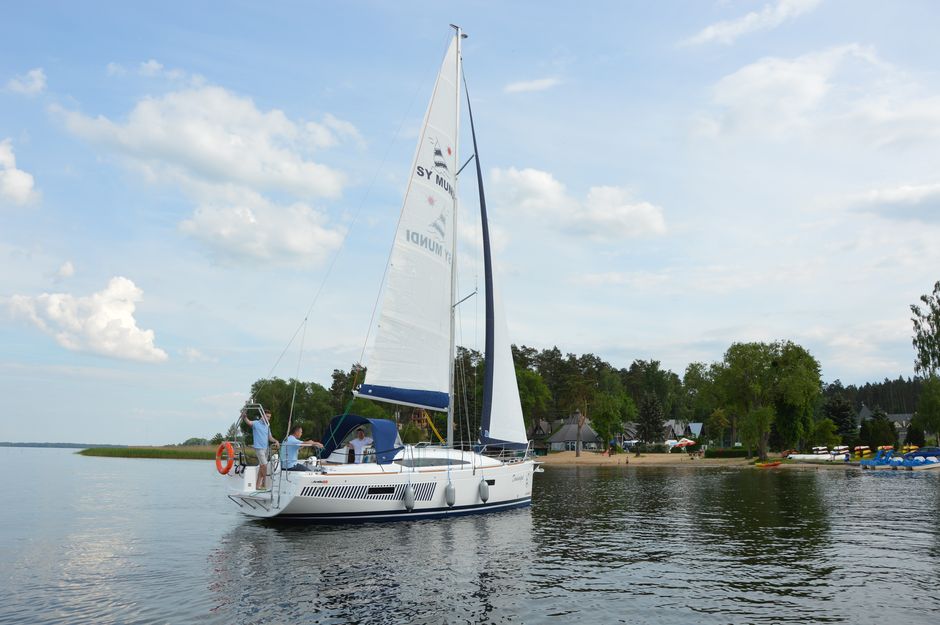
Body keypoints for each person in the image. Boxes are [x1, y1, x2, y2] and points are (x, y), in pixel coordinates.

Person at [242, 409, 279, 490]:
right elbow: (248, 422)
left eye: (269, 417)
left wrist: (276, 441)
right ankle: (264, 484)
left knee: (262, 466)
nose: (268, 418)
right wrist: (244, 416)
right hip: (259, 448)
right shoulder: (256, 423)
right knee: (264, 465)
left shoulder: (267, 426)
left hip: (266, 448)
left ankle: (257, 485)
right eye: (267, 416)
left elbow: (270, 438)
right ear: (262, 415)